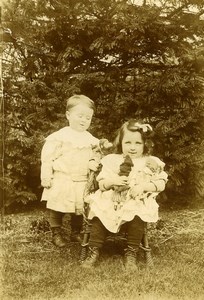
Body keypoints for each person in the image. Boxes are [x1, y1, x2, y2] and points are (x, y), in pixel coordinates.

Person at [81, 119, 168, 270]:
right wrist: (113, 181)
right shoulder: (111, 160)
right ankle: (93, 249)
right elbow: (101, 184)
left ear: (145, 144)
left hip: (135, 199)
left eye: (138, 143)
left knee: (137, 213)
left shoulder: (150, 162)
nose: (132, 148)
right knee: (100, 210)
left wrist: (144, 186)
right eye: (128, 143)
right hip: (112, 198)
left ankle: (131, 251)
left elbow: (161, 183)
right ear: (120, 142)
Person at [40, 94, 100, 247]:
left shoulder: (90, 139)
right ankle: (56, 232)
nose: (83, 120)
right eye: (80, 116)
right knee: (57, 206)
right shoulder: (59, 137)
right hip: (62, 179)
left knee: (79, 208)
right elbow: (47, 158)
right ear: (68, 115)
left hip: (81, 179)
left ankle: (75, 232)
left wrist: (94, 161)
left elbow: (96, 154)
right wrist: (46, 176)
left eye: (88, 118)